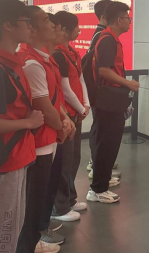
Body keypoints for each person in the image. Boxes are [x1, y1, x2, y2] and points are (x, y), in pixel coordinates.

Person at [0, 0, 44, 254]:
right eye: (26, 21)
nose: (30, 27)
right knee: (0, 236)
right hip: (3, 163)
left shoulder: (10, 63)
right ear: (8, 26)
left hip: (14, 158)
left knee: (9, 230)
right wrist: (28, 122)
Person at [17, 7, 75, 254]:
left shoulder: (46, 59)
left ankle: (36, 236)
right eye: (46, 20)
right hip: (39, 141)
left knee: (42, 194)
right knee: (32, 200)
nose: (52, 24)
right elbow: (42, 105)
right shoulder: (31, 63)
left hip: (50, 136)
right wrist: (62, 126)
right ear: (30, 28)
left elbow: (54, 97)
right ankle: (29, 243)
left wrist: (65, 119)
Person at [87, 1, 139, 204]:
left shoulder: (111, 39)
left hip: (112, 100)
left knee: (110, 144)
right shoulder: (107, 40)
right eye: (127, 18)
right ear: (119, 20)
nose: (129, 22)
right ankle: (98, 189)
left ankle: (102, 184)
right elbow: (104, 71)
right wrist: (128, 83)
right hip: (108, 100)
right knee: (106, 144)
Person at [50, 12, 100, 224]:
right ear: (64, 30)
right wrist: (81, 108)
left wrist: (85, 105)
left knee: (74, 158)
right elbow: (64, 88)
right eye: (76, 27)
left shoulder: (72, 53)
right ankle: (59, 206)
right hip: (66, 114)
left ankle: (69, 199)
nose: (79, 30)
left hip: (76, 113)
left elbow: (80, 80)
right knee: (63, 161)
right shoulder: (58, 55)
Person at [86, 0, 121, 179]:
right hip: (102, 93)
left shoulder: (101, 35)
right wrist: (127, 83)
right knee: (101, 130)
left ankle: (99, 165)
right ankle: (97, 166)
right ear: (104, 16)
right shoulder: (104, 37)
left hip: (100, 93)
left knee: (100, 128)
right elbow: (102, 69)